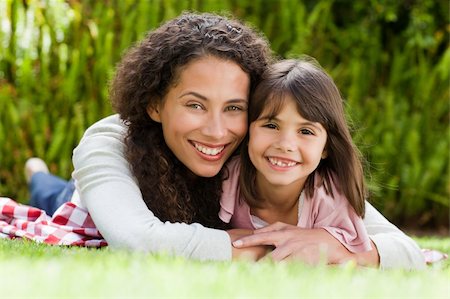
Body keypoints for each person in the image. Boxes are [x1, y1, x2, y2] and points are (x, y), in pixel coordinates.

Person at [26, 12, 425, 268]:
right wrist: (264, 245)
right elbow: (136, 239)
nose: (217, 131)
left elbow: (400, 246)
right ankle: (38, 173)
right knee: (51, 195)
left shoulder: (267, 154)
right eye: (195, 105)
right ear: (153, 104)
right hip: (90, 203)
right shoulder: (110, 140)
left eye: (234, 108)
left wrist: (346, 249)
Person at [219, 58, 372, 259]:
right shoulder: (229, 178)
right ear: (249, 132)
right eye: (271, 126)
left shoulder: (330, 195)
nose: (285, 144)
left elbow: (355, 254)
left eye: (306, 131)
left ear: (326, 146)